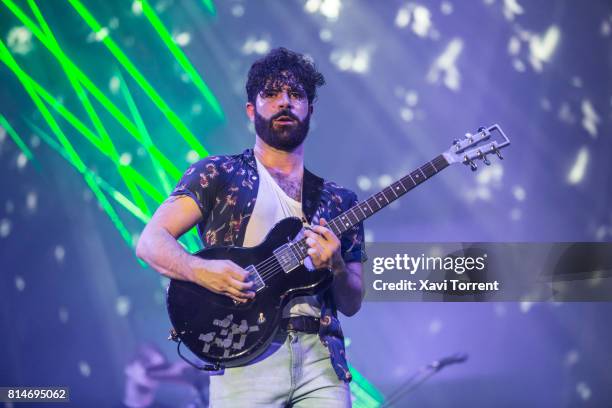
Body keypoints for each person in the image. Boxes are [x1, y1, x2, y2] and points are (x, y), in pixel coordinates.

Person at [136, 47, 366, 407]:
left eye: (296, 95)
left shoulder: (340, 201)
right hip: (242, 358)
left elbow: (352, 302)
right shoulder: (219, 174)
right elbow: (150, 242)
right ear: (251, 110)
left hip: (321, 358)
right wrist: (201, 270)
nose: (284, 103)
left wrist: (336, 266)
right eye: (271, 94)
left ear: (310, 110)